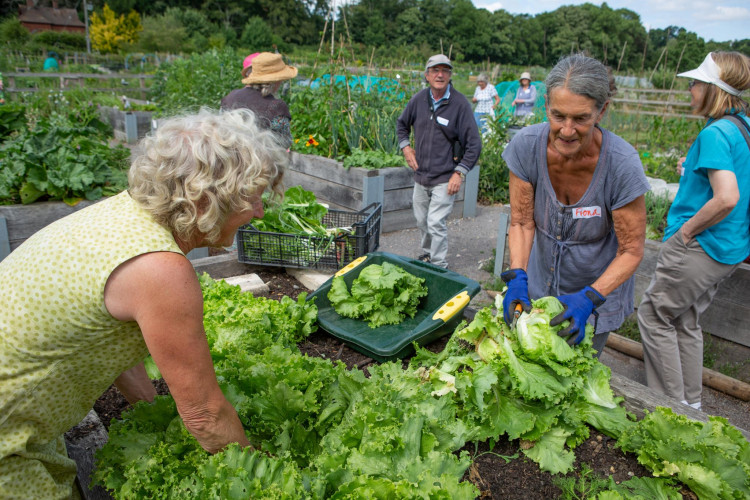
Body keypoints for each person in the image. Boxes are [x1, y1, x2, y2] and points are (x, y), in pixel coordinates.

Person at [0, 108, 287, 498]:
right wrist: (264, 479)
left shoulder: (122, 213)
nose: (259, 211)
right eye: (250, 198)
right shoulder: (160, 270)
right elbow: (205, 414)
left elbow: (112, 335)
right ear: (205, 201)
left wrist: (153, 413)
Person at [500, 53, 649, 358]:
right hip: (538, 289)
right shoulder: (527, 147)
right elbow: (521, 222)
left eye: (580, 118)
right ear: (546, 107)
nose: (567, 130)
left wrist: (591, 297)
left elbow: (631, 250)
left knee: (575, 376)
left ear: (601, 110)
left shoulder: (621, 165)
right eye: (558, 116)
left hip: (592, 300)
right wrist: (517, 277)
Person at [638, 51, 750, 411]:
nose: (690, 89)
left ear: (713, 89)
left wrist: (685, 232)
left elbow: (727, 197)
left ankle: (668, 409)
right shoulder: (741, 126)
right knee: (685, 320)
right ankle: (692, 406)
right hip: (728, 248)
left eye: (695, 83)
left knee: (654, 316)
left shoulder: (716, 133)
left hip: (701, 245)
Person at [397, 54, 482, 269]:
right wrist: (406, 148)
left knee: (435, 222)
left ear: (450, 75)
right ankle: (427, 254)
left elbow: (474, 144)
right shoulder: (419, 100)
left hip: (445, 177)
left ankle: (438, 265)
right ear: (427, 75)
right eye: (435, 70)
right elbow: (401, 125)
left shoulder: (460, 104)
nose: (440, 74)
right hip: (421, 175)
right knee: (421, 221)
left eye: (445, 70)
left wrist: (459, 172)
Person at [221, 52, 297, 149]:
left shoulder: (230, 97)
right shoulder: (276, 106)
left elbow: (222, 132)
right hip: (260, 161)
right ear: (276, 80)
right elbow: (284, 142)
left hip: (230, 159)